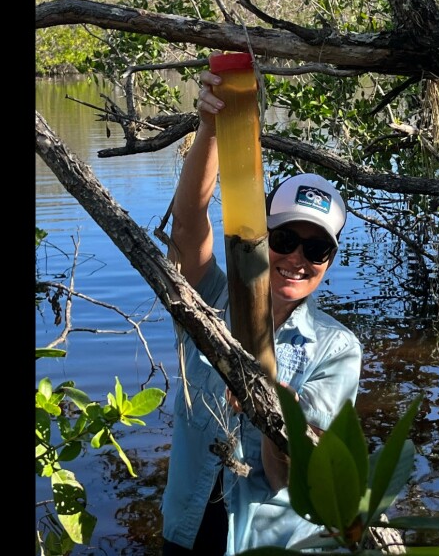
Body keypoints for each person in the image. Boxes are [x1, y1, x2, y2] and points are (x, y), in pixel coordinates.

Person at [161, 58, 363, 555]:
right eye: (286, 238)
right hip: (185, 532)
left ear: (330, 261)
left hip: (268, 543)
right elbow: (188, 227)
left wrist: (269, 404)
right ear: (262, 234)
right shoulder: (211, 300)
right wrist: (211, 124)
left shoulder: (338, 350)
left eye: (316, 250)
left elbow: (284, 476)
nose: (297, 259)